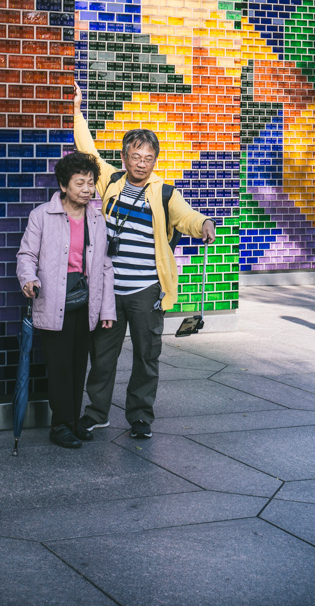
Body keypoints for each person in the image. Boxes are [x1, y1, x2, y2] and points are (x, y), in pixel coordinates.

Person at [72, 83, 216, 440]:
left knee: (146, 357)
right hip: (108, 291)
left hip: (145, 291)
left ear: (155, 160)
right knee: (102, 356)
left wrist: (204, 224)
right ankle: (96, 412)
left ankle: (139, 417)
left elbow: (187, 217)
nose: (141, 163)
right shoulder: (111, 181)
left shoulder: (165, 192)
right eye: (135, 156)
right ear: (124, 157)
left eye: (148, 158)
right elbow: (87, 150)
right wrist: (76, 110)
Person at [16, 151, 116, 449]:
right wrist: (28, 279)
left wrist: (107, 309)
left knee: (77, 365)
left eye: (90, 183)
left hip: (85, 302)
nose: (87, 189)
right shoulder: (42, 216)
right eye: (80, 183)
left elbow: (105, 266)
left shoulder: (97, 219)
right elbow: (26, 255)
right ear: (63, 185)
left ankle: (72, 422)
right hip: (52, 300)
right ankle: (59, 424)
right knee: (59, 366)